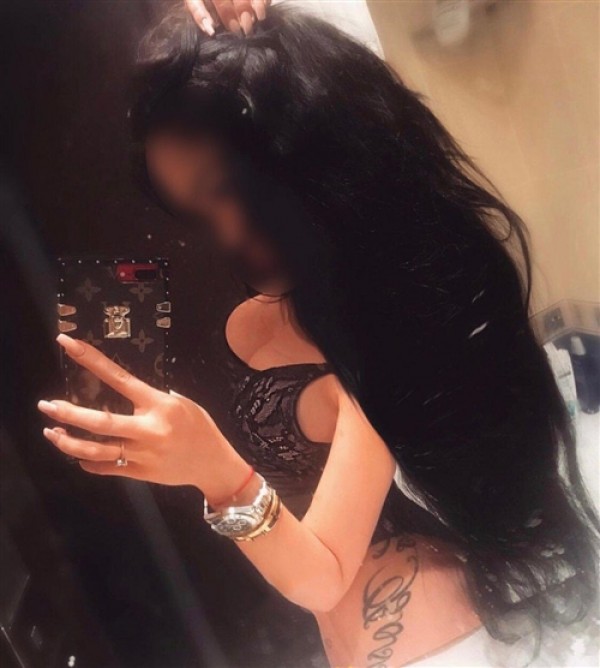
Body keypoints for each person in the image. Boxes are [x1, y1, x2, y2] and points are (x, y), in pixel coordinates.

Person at [37, 2, 599, 666]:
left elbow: (323, 573)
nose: (226, 232)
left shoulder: (395, 321)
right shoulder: (286, 302)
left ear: (304, 149)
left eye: (229, 188)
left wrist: (216, 472)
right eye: (197, 210)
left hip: (449, 643)